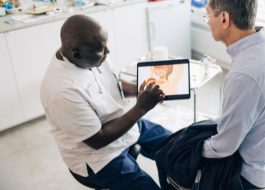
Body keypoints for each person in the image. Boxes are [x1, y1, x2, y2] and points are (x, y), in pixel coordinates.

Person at [40, 14, 171, 190]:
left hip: (122, 124)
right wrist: (141, 107)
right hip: (97, 157)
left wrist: (140, 90)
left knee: (177, 146)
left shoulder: (92, 54)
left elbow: (112, 82)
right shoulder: (61, 90)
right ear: (76, 55)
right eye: (102, 50)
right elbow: (98, 140)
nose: (107, 52)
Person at [202, 0, 265, 189]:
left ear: (224, 19)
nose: (208, 22)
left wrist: (193, 148)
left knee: (173, 157)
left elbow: (224, 147)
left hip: (248, 177)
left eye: (207, 16)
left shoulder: (244, 75)